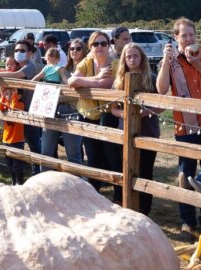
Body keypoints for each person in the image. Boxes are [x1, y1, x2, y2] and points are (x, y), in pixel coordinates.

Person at [156, 17, 201, 239]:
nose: (188, 39)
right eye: (184, 35)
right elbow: (161, 89)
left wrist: (196, 62)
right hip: (185, 126)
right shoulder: (170, 58)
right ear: (176, 38)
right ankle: (187, 221)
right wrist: (166, 61)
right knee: (185, 173)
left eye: (192, 34)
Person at [109, 42, 160, 215]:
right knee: (126, 168)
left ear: (142, 57)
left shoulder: (151, 78)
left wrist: (144, 113)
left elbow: (162, 105)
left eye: (135, 56)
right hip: (124, 131)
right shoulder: (119, 81)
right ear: (124, 59)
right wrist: (122, 114)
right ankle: (126, 204)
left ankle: (144, 209)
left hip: (148, 131)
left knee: (145, 171)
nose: (132, 59)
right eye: (129, 56)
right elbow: (113, 108)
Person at [69, 29, 120, 188]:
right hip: (87, 114)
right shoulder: (87, 62)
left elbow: (104, 85)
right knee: (92, 156)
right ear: (90, 47)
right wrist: (96, 78)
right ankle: (94, 191)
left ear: (109, 45)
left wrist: (84, 81)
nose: (100, 47)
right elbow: (71, 81)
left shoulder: (115, 64)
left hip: (108, 113)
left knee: (112, 154)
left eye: (103, 43)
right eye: (95, 44)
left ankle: (119, 193)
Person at [0, 38, 43, 169]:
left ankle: (39, 172)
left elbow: (16, 75)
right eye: (16, 50)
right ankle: (19, 171)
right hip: (17, 112)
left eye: (22, 50)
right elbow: (7, 72)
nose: (18, 52)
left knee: (34, 145)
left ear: (30, 53)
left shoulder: (31, 65)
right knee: (16, 144)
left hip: (30, 113)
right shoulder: (17, 65)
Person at [37, 44, 83, 166]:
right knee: (46, 151)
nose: (74, 51)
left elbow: (74, 94)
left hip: (71, 112)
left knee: (73, 154)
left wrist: (55, 97)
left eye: (78, 48)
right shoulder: (63, 68)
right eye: (72, 48)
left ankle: (78, 182)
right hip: (51, 110)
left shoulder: (85, 69)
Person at [0, 56, 29, 184]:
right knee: (9, 164)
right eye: (8, 93)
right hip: (6, 139)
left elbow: (14, 107)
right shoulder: (5, 103)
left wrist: (14, 95)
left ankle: (19, 183)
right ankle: (13, 182)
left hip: (17, 140)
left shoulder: (19, 105)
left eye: (12, 94)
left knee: (17, 165)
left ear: (18, 95)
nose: (9, 96)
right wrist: (4, 96)